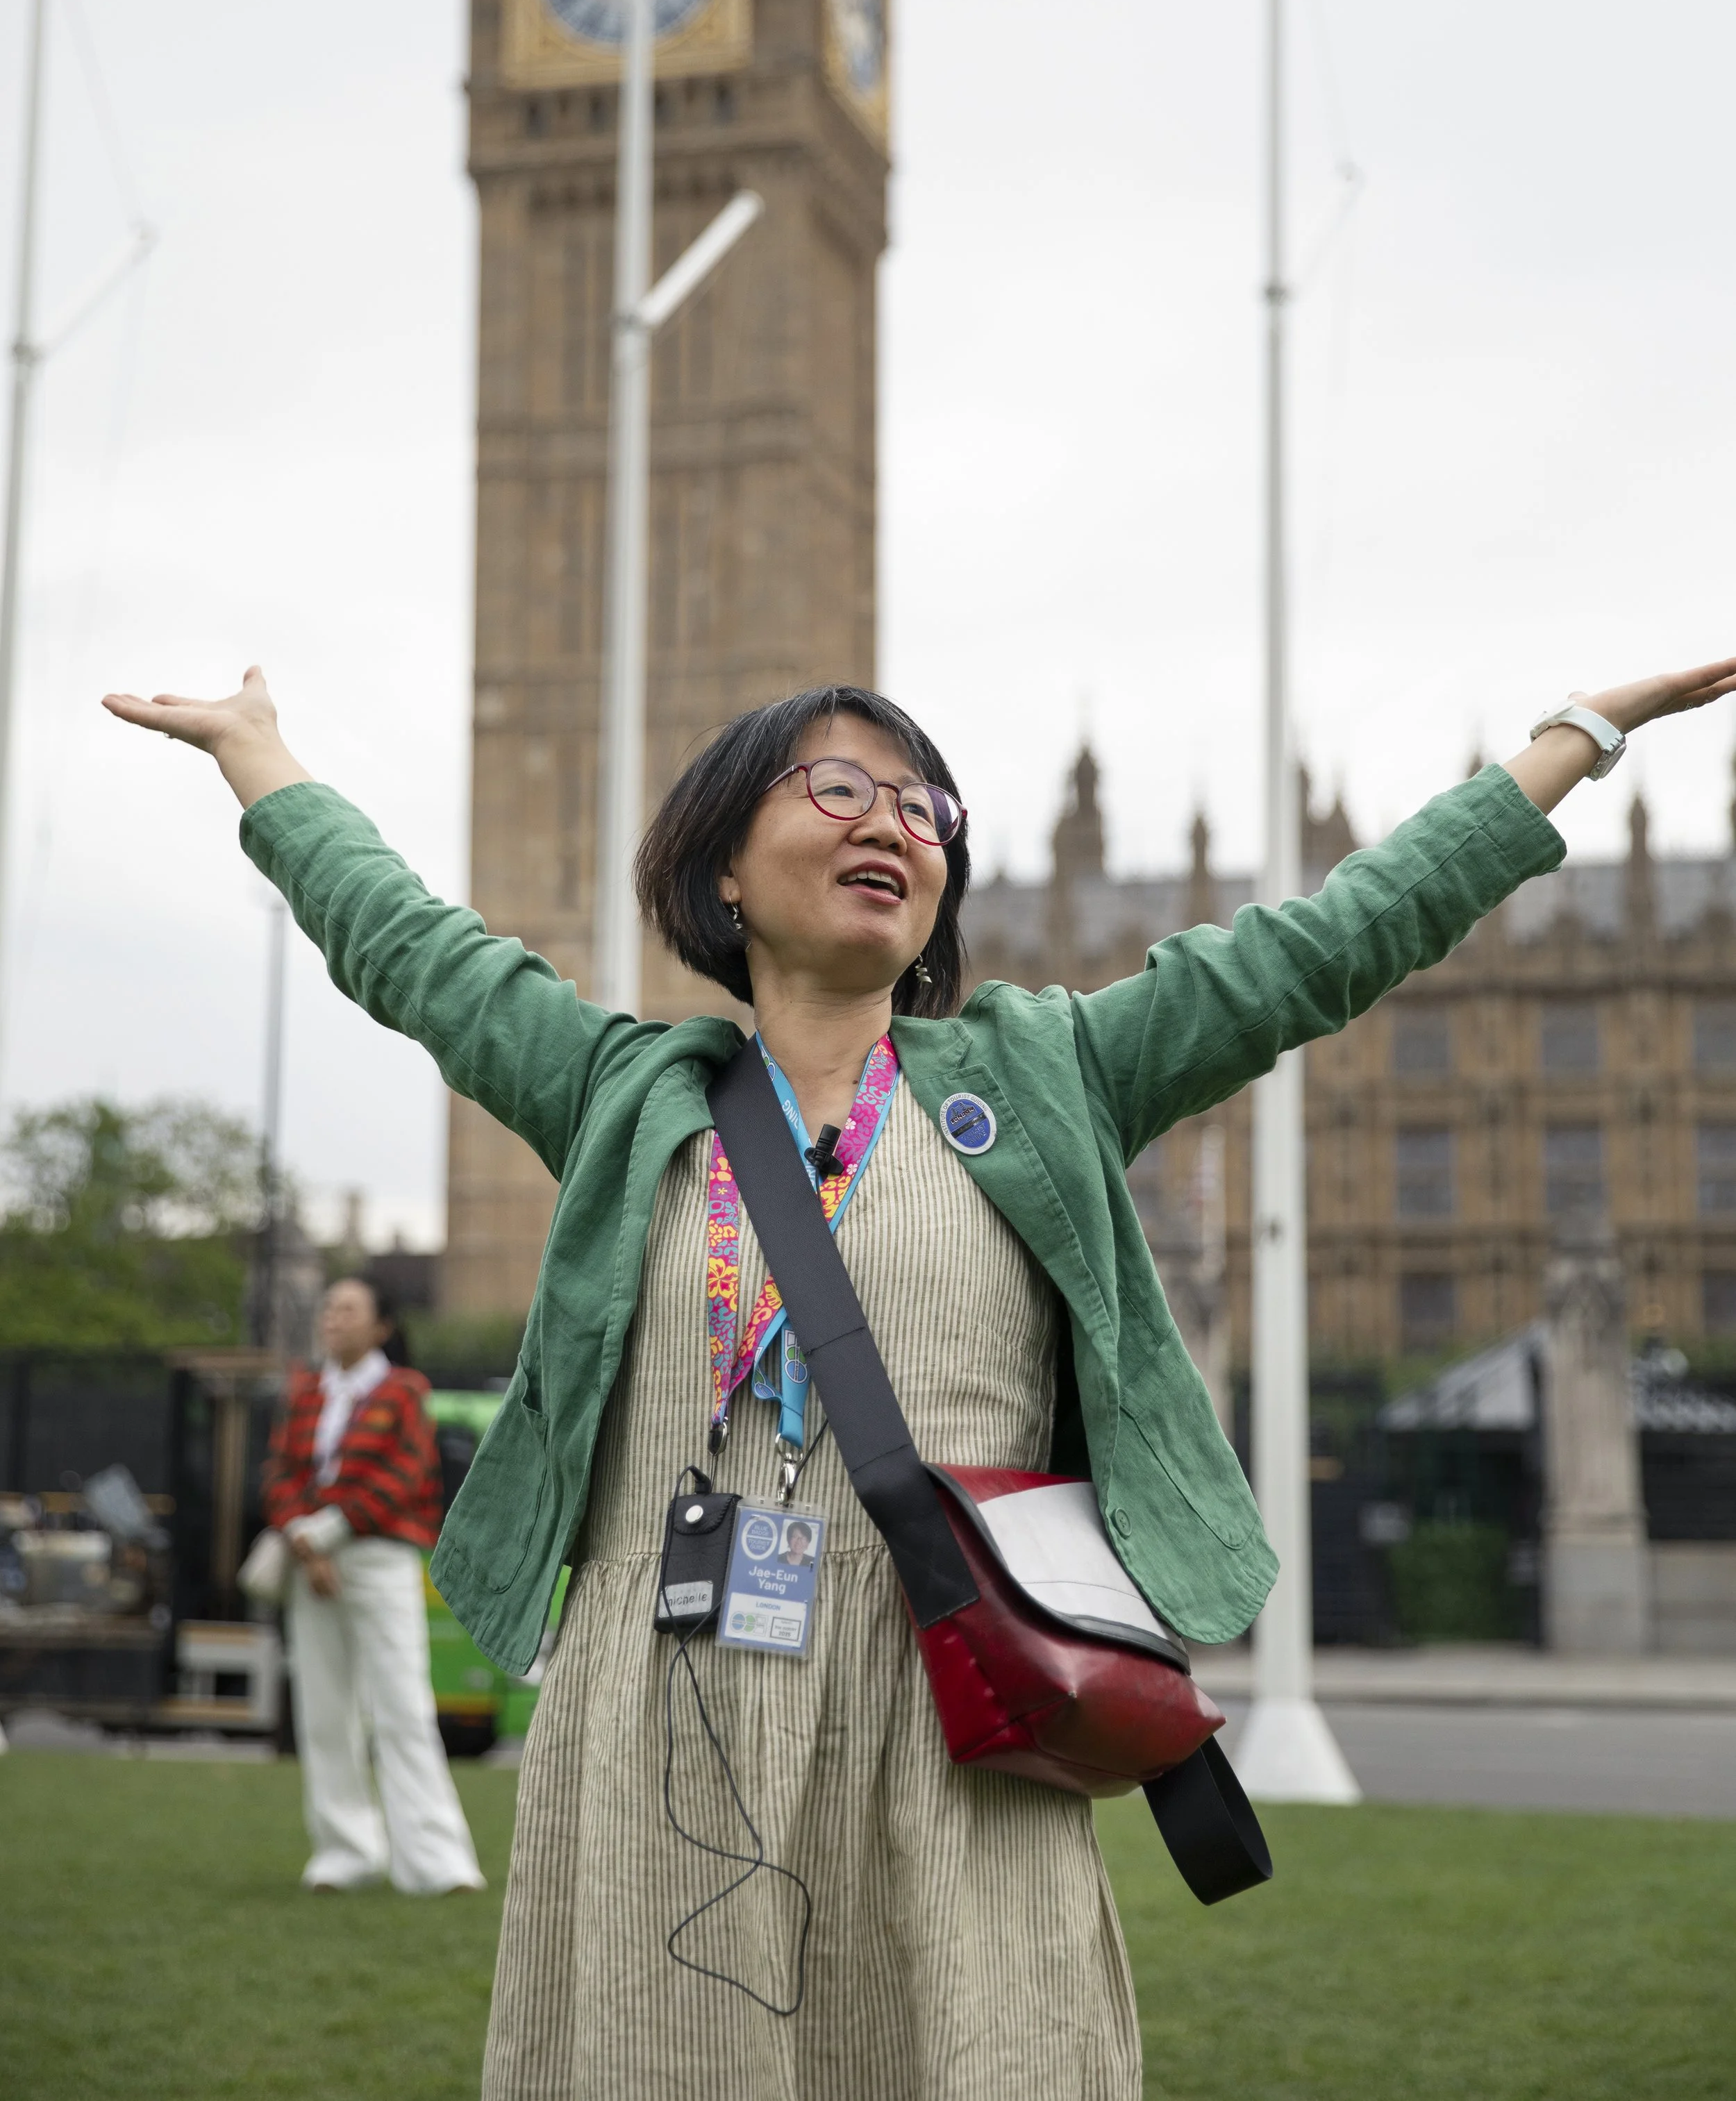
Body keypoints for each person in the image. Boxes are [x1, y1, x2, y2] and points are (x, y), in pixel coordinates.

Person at [106, 655, 1734, 2095]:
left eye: (924, 802)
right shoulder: (621, 1093)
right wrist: (263, 758)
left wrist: (1572, 737)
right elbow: (416, 949)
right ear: (723, 861)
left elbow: (1327, 943)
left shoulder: (1047, 1075)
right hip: (660, 1711)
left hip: (953, 1715)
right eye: (837, 783)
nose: (894, 817)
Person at [260, 1271, 484, 1896]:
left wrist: (324, 1532)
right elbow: (278, 1472)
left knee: (403, 1710)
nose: (333, 1316)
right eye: (330, 1306)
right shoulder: (306, 1389)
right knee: (325, 1713)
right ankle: (345, 1854)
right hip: (312, 1564)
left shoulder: (404, 1389)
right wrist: (305, 1539)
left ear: (381, 1325)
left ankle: (437, 1863)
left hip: (378, 1558)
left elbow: (406, 1474)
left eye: (348, 1308)